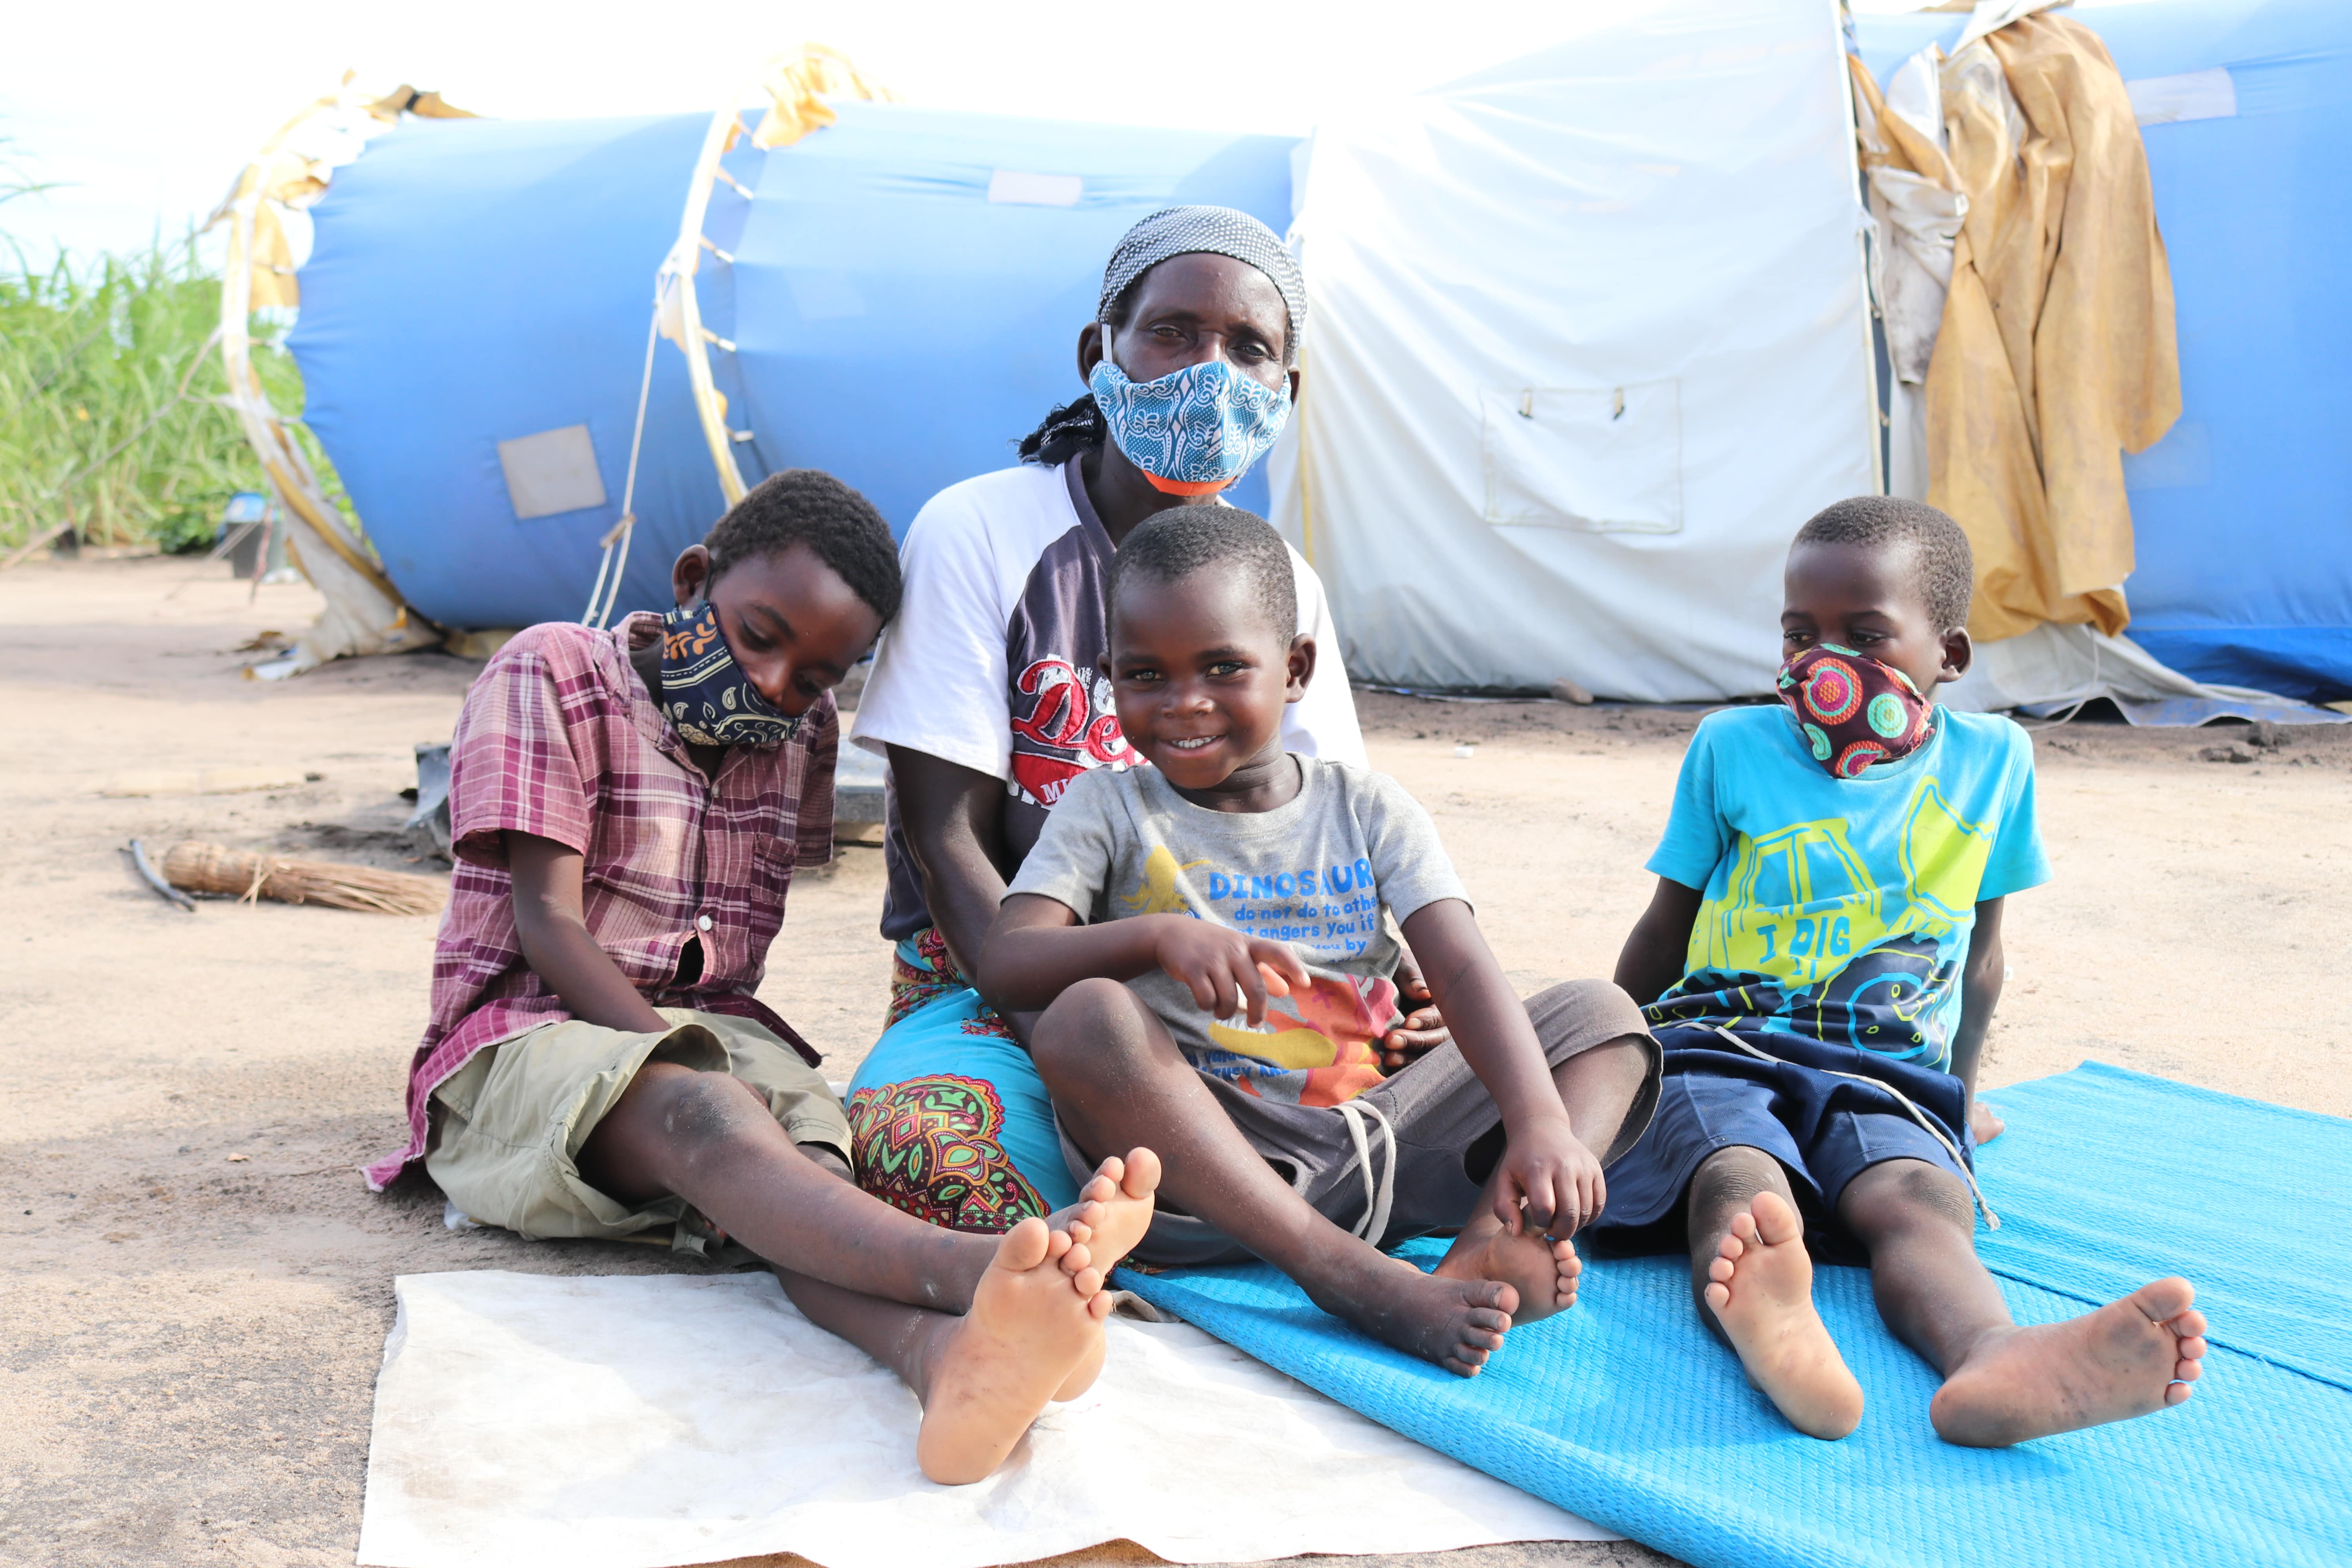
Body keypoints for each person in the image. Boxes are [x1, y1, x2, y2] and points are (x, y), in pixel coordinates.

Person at [361, 469, 1161, 1485]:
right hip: (525, 1034)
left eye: (819, 675)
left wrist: (738, 1081)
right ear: (696, 580)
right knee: (714, 1115)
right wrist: (706, 1072)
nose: (780, 686)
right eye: (758, 636)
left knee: (808, 1187)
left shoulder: (796, 741)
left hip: (714, 1031)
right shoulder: (552, 671)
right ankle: (983, 1273)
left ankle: (946, 1359)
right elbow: (550, 928)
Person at [845, 205, 1454, 1234]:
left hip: (1242, 1004)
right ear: (1101, 353)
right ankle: (1260, 1209)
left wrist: (1394, 991)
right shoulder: (983, 532)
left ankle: (1226, 1203)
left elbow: (1324, 836)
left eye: (1250, 349)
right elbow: (944, 839)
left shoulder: (1283, 587)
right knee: (935, 1156)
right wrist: (1074, 1046)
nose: (1208, 370)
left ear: (1284, 392)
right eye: (1173, 332)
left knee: (1551, 1087)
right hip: (998, 1000)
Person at [975, 508, 1661, 1376]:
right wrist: (1153, 937)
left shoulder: (1368, 807)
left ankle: (1482, 1247)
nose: (1185, 701)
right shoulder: (1109, 809)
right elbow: (1005, 962)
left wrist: (1538, 1123)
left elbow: (1459, 963)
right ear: (1109, 679)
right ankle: (1343, 1275)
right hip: (1220, 1175)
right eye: (1147, 674)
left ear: (1295, 668)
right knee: (1084, 1019)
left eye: (1224, 667)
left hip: (1388, 1142)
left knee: (1604, 1014)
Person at [1599, 495, 2210, 1444]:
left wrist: (1954, 1104)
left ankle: (1994, 1353)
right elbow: (1663, 931)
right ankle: (1773, 1313)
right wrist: (1601, 1061)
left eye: (1866, 633)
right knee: (1738, 1167)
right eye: (1800, 632)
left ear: (1948, 657)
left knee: (1920, 1200)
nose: (1822, 662)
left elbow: (1982, 955)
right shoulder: (1732, 744)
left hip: (1882, 1062)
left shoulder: (1994, 761)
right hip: (1721, 1041)